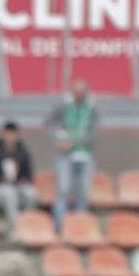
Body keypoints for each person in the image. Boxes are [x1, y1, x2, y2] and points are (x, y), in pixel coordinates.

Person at [49, 80, 98, 228]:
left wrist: (74, 142)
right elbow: (50, 124)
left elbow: (94, 133)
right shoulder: (63, 107)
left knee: (83, 191)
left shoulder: (92, 109)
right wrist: (58, 139)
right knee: (63, 189)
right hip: (65, 156)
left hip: (85, 155)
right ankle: (59, 225)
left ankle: (79, 226)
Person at [0, 121, 36, 227]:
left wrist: (22, 179)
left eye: (13, 134)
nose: (10, 137)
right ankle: (15, 227)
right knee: (9, 194)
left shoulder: (23, 151)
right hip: (1, 185)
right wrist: (2, 179)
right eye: (8, 134)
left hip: (19, 184)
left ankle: (28, 225)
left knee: (31, 194)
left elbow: (29, 173)